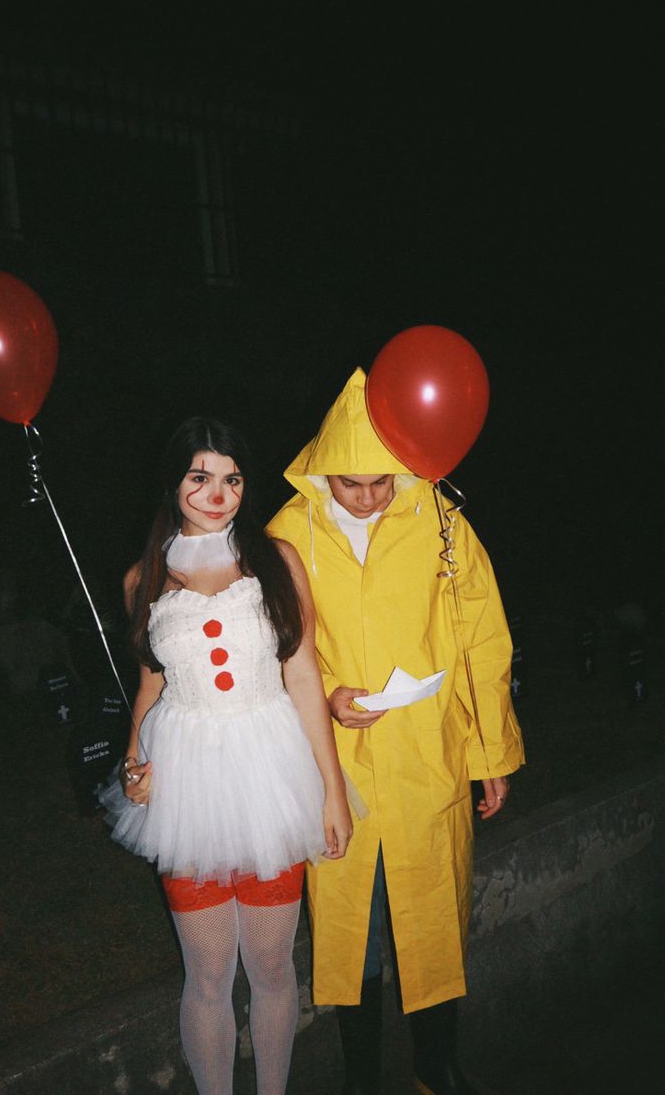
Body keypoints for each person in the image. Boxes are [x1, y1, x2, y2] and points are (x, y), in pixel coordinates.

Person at [267, 369, 525, 1095]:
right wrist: (329, 698)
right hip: (335, 764)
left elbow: (483, 638)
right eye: (353, 484)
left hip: (428, 756)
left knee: (433, 921)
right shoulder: (289, 534)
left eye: (384, 480)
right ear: (324, 472)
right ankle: (359, 1077)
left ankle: (436, 1067)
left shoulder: (440, 521)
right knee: (357, 931)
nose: (372, 496)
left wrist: (491, 754)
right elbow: (273, 649)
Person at [100, 417, 352, 1095]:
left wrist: (330, 791)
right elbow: (150, 681)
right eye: (200, 476)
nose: (217, 492)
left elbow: (303, 677)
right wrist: (133, 764)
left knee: (270, 967)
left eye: (232, 478)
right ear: (174, 483)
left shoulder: (277, 559)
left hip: (271, 774)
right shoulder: (142, 577)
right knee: (207, 974)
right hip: (186, 784)